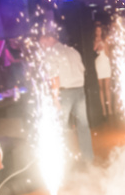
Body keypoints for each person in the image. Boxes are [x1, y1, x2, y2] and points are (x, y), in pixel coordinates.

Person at [39, 30, 95, 161]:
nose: (42, 47)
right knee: (83, 126)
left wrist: (55, 98)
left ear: (49, 39)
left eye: (43, 43)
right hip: (79, 90)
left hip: (64, 93)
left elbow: (54, 78)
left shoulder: (51, 53)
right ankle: (88, 158)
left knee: (61, 127)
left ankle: (62, 160)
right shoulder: (73, 51)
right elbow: (83, 70)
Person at [93, 23, 113, 118]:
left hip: (105, 62)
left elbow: (108, 53)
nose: (98, 32)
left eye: (100, 30)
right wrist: (96, 46)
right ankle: (103, 110)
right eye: (97, 30)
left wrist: (104, 45)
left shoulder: (105, 40)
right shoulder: (93, 41)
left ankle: (109, 109)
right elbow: (93, 52)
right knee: (101, 88)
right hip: (98, 63)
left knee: (107, 87)